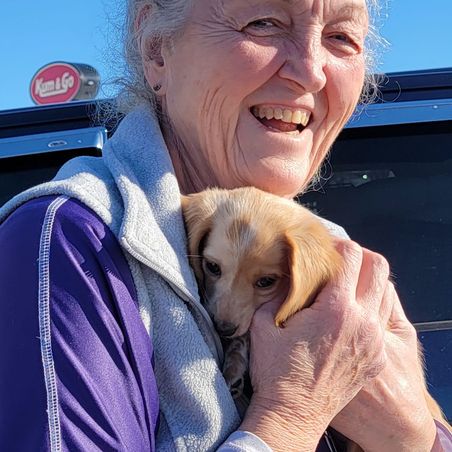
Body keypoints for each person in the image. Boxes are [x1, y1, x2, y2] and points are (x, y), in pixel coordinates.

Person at [0, 0, 451, 450]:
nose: (312, 72)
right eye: (263, 22)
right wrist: (292, 413)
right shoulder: (71, 244)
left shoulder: (340, 256)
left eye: (341, 37)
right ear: (157, 49)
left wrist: (412, 434)